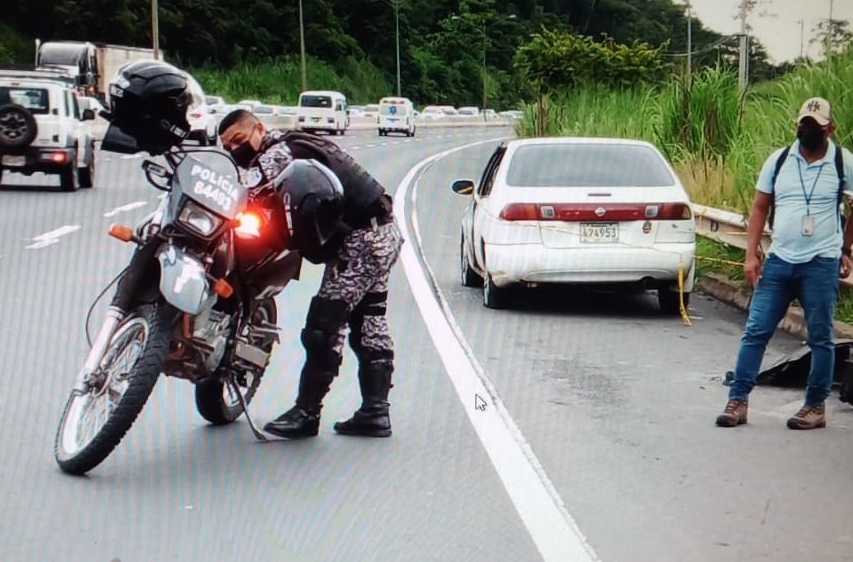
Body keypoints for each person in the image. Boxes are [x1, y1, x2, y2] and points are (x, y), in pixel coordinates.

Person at [218, 109, 404, 439]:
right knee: (369, 320)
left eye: (239, 140)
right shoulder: (302, 143)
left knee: (323, 326)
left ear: (259, 129)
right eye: (226, 146)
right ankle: (375, 413)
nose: (234, 150)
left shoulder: (279, 152)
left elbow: (244, 196)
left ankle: (306, 412)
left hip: (360, 240)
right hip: (383, 231)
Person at [716, 96, 853, 430]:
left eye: (815, 126)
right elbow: (760, 207)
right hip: (779, 261)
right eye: (803, 124)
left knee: (820, 337)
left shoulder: (842, 161)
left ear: (829, 129)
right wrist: (751, 254)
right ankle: (738, 401)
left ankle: (815, 406)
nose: (807, 131)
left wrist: (846, 248)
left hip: (820, 262)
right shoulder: (779, 161)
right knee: (756, 331)